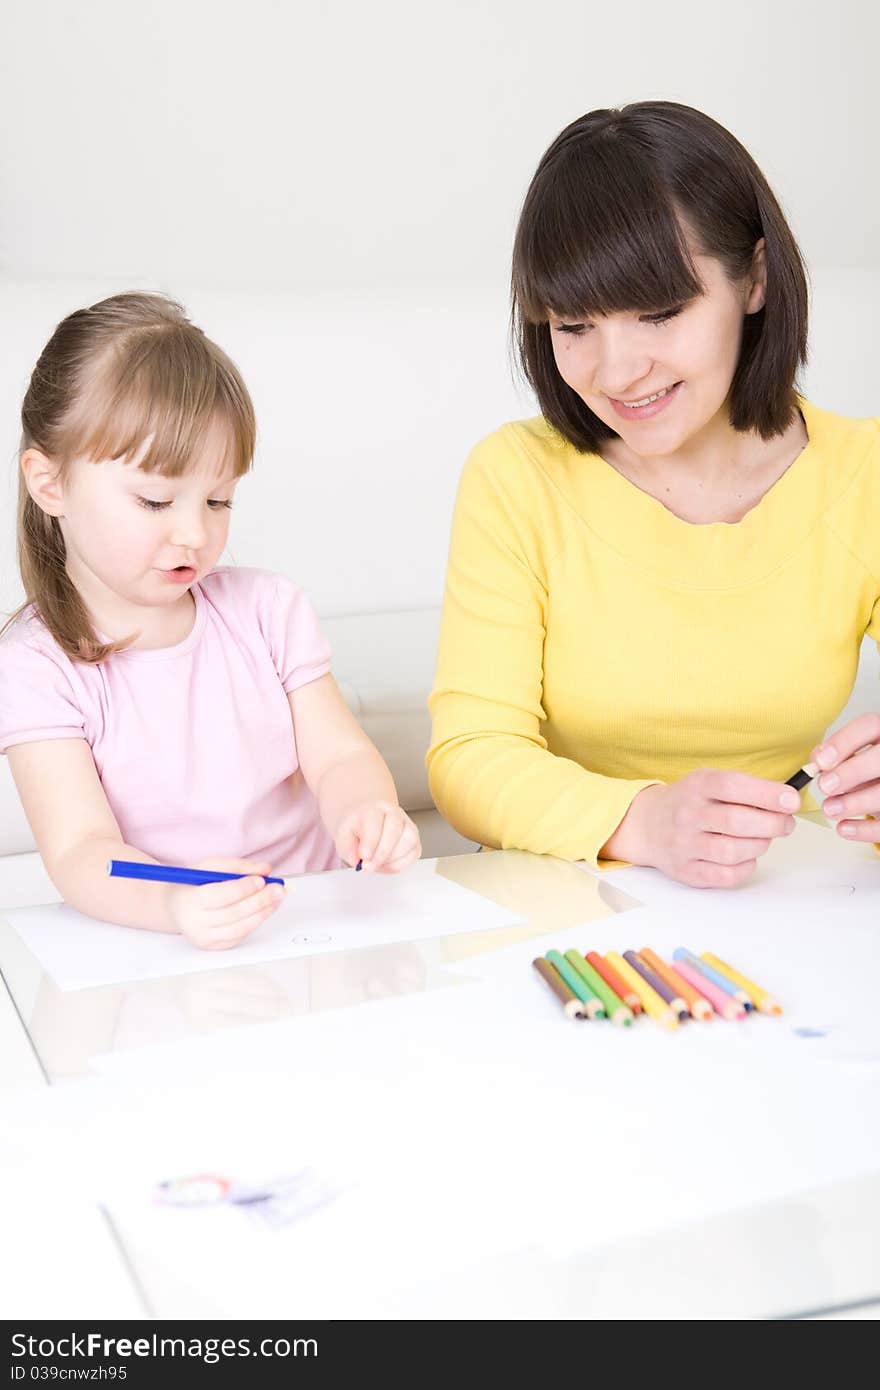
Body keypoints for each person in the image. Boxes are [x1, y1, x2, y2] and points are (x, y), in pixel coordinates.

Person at [428, 101, 880, 888]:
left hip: (788, 894)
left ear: (755, 280)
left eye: (660, 313)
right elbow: (470, 757)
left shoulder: (861, 472)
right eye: (573, 326)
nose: (616, 372)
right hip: (565, 903)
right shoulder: (515, 477)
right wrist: (647, 823)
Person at [0, 293, 420, 948]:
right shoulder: (35, 665)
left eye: (219, 499)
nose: (195, 532)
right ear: (50, 484)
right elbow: (82, 850)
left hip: (318, 926)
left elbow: (338, 756)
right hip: (166, 939)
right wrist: (175, 903)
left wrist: (367, 809)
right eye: (156, 499)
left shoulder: (268, 611)